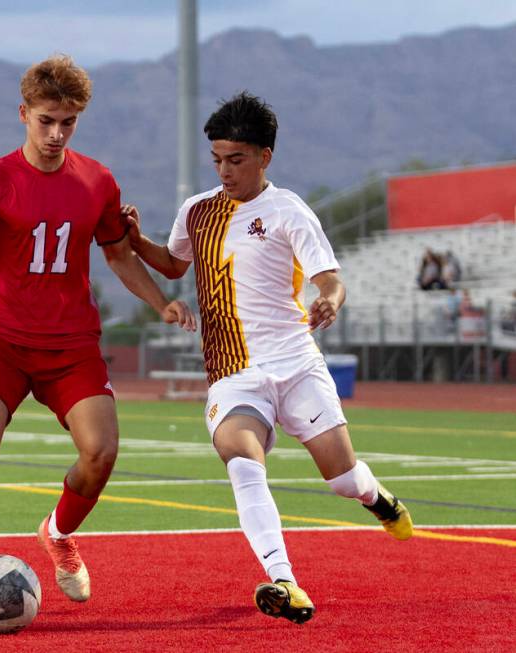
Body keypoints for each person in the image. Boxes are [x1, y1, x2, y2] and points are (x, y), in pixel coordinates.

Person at [0, 54, 193, 621]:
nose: (57, 133)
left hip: (71, 346)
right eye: (46, 120)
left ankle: (58, 532)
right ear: (24, 114)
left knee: (102, 452)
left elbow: (117, 253)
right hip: (2, 341)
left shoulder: (97, 181)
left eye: (68, 122)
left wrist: (161, 302)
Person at [125, 92, 412, 625]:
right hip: (233, 376)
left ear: (265, 157)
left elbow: (329, 278)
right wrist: (132, 237)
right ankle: (286, 580)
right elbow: (171, 264)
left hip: (297, 365)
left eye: (236, 159)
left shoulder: (288, 212)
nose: (225, 170)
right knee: (242, 462)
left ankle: (376, 498)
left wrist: (329, 300)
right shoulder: (198, 211)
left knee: (341, 479)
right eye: (217, 159)